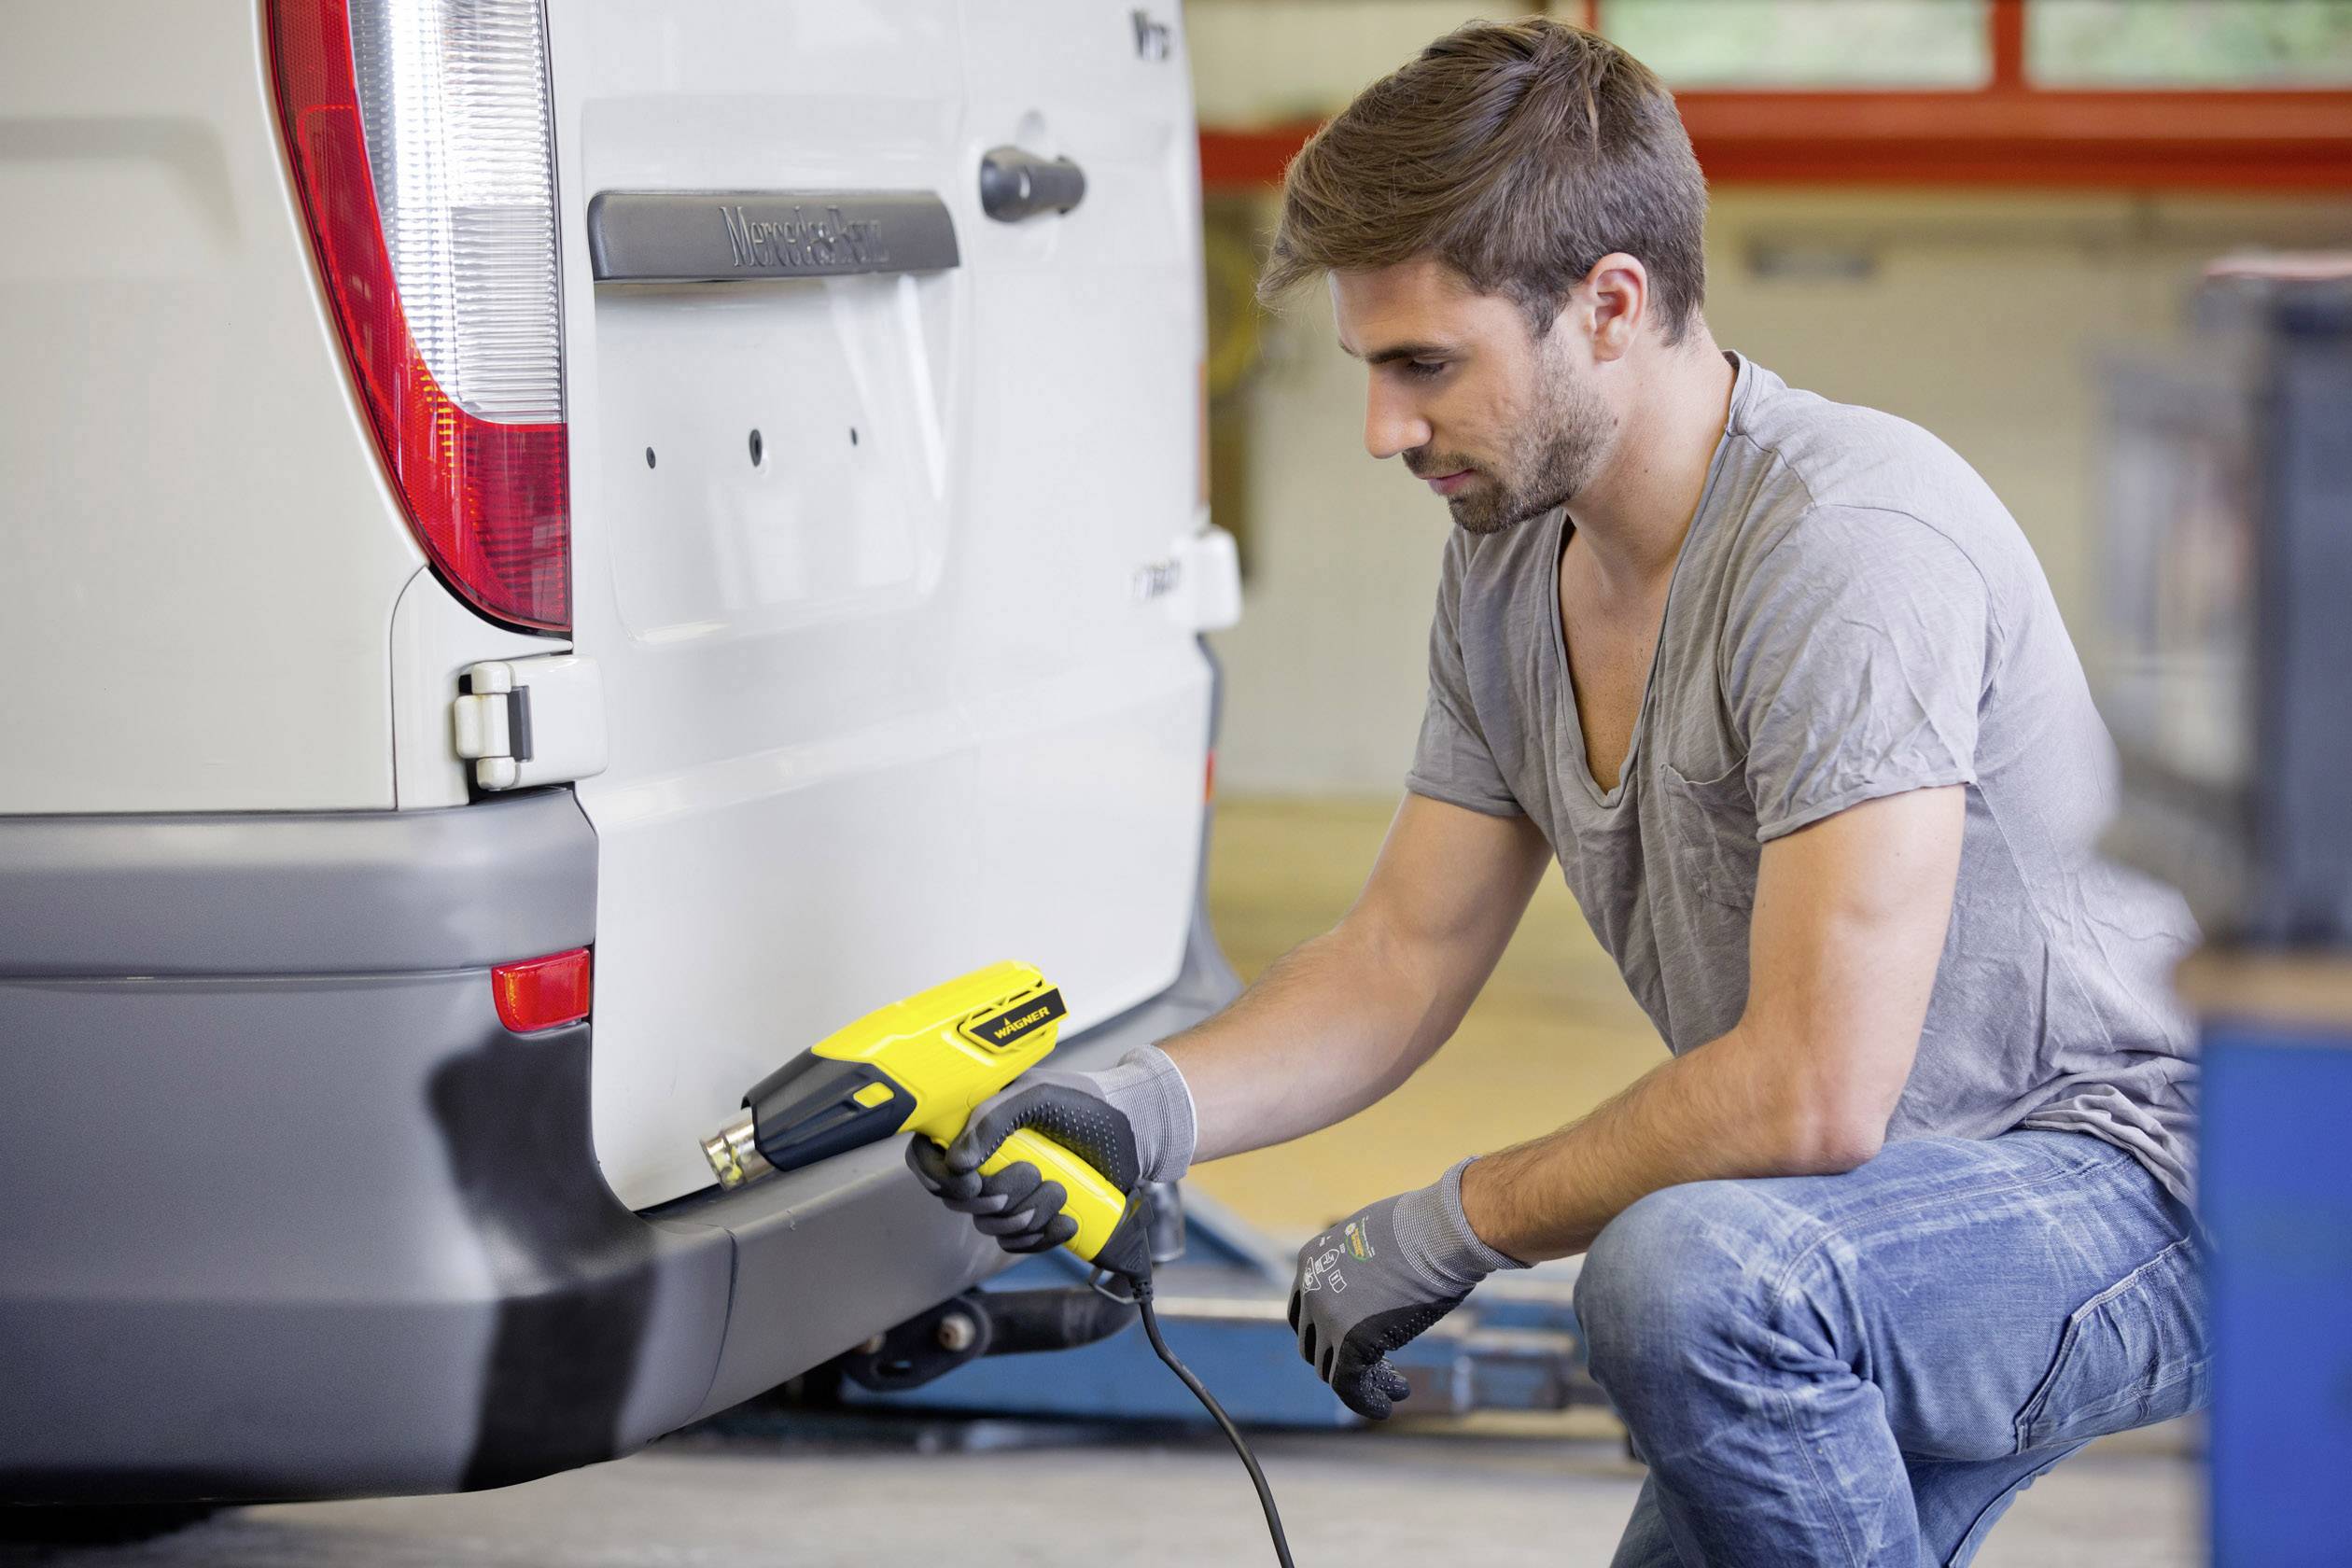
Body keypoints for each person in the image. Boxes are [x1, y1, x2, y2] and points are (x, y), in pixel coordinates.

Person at [909, 18, 2207, 1566]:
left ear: (1610, 305)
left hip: (2123, 1185)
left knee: (1688, 1287)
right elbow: (1401, 958)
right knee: (1712, 1297)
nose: (1386, 427)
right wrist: (1147, 1107)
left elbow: (1810, 1088)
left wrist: (1457, 1217)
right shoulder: (1509, 563)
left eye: (1426, 366)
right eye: (1371, 370)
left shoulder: (1851, 544)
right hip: (1847, 1229)